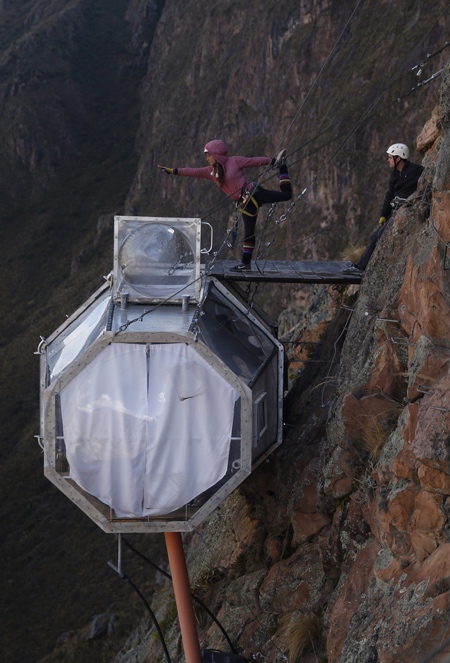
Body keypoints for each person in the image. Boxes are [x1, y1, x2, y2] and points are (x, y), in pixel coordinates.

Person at [158, 139, 292, 271]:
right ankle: (245, 264)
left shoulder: (234, 161)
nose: (207, 158)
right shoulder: (211, 172)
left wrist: (273, 161)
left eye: (209, 155)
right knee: (249, 233)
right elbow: (193, 172)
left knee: (286, 195)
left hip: (253, 193)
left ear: (216, 154)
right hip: (245, 204)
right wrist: (174, 171)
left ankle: (283, 166)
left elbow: (255, 161)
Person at [342, 143, 424, 275]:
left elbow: (426, 182)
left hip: (406, 212)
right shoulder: (395, 175)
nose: (388, 160)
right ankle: (360, 267)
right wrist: (383, 215)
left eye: (390, 157)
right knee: (375, 236)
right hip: (395, 212)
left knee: (378, 236)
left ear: (399, 158)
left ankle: (362, 268)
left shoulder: (417, 171)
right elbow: (389, 195)